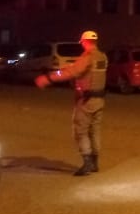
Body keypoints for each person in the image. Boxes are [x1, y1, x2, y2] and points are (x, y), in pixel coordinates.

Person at [35, 30, 108, 176]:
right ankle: (95, 162)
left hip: (86, 101)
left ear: (84, 42)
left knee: (81, 131)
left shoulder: (87, 57)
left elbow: (71, 72)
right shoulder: (103, 57)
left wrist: (48, 78)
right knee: (95, 131)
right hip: (100, 99)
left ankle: (87, 162)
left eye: (82, 43)